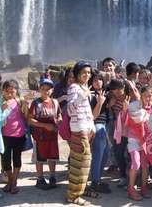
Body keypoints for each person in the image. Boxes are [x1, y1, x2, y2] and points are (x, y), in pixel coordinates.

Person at [125, 85, 152, 201]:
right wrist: (144, 111)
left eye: (150, 96)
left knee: (145, 165)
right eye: (145, 96)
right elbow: (136, 119)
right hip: (134, 139)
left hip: (147, 141)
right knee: (136, 164)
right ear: (141, 95)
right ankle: (131, 189)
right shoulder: (134, 106)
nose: (147, 98)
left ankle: (143, 187)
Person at [65, 61, 96, 205]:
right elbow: (70, 110)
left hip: (86, 129)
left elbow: (86, 111)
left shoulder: (83, 87)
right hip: (79, 130)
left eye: (89, 73)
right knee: (81, 163)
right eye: (84, 72)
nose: (87, 75)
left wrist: (92, 126)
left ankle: (76, 192)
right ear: (77, 74)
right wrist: (82, 96)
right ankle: (73, 195)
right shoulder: (73, 88)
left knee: (82, 162)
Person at [28, 77, 61, 191]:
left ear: (52, 90)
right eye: (43, 88)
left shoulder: (55, 102)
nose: (46, 91)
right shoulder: (36, 103)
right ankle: (40, 179)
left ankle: (52, 177)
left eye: (48, 89)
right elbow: (30, 120)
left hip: (52, 136)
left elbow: (59, 115)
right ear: (39, 89)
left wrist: (59, 122)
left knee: (52, 157)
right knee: (40, 158)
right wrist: (45, 125)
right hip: (40, 136)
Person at [0, 80, 28, 194]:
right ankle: (11, 181)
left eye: (12, 90)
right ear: (3, 92)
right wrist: (1, 109)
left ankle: (13, 182)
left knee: (17, 158)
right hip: (5, 136)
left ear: (16, 91)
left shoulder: (19, 101)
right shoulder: (0, 102)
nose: (10, 93)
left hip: (19, 135)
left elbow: (26, 116)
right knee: (5, 161)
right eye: (7, 90)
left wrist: (25, 104)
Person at [88, 70, 111, 194]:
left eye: (100, 79)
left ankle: (97, 179)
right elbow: (93, 116)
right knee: (98, 155)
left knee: (105, 154)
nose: (98, 82)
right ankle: (95, 182)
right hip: (96, 126)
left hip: (104, 126)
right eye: (95, 80)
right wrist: (100, 103)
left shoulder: (104, 93)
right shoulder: (91, 95)